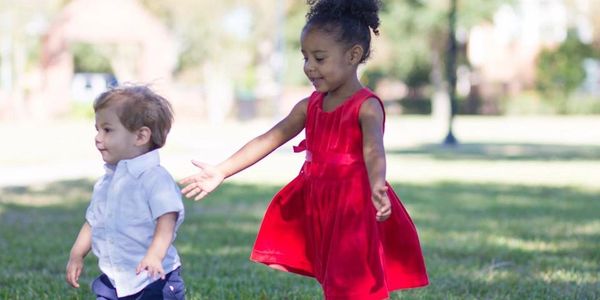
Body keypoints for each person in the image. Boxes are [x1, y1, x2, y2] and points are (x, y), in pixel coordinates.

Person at [180, 0, 428, 298]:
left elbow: (374, 150)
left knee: (354, 280)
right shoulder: (309, 106)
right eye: (305, 57)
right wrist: (221, 170)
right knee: (332, 277)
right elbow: (269, 139)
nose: (309, 67)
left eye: (319, 58)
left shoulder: (366, 106)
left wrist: (377, 184)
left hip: (353, 205)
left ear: (353, 55)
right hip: (319, 203)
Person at [66, 85, 186, 299]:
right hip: (115, 280)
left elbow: (167, 219)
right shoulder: (106, 182)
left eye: (107, 130)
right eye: (97, 129)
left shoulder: (154, 178)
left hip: (154, 278)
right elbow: (93, 221)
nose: (97, 137)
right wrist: (77, 254)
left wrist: (154, 255)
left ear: (140, 136)